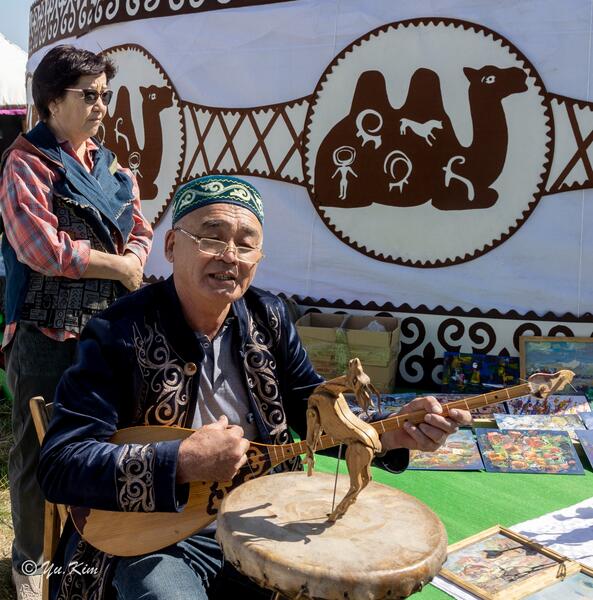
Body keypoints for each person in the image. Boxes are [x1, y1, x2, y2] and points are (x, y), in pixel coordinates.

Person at [38, 175, 471, 600]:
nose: (230, 256)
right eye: (211, 238)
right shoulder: (117, 332)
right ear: (170, 246)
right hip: (153, 538)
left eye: (246, 245)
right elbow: (60, 465)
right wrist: (182, 462)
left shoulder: (270, 317)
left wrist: (388, 433)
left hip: (262, 522)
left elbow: (314, 411)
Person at [0, 45, 153, 599]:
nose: (101, 106)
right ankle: (32, 564)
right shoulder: (26, 162)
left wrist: (134, 256)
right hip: (46, 335)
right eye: (88, 95)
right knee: (36, 453)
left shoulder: (112, 167)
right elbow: (40, 249)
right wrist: (120, 266)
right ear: (50, 100)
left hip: (106, 334)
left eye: (105, 95)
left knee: (105, 445)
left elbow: (141, 226)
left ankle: (90, 558)